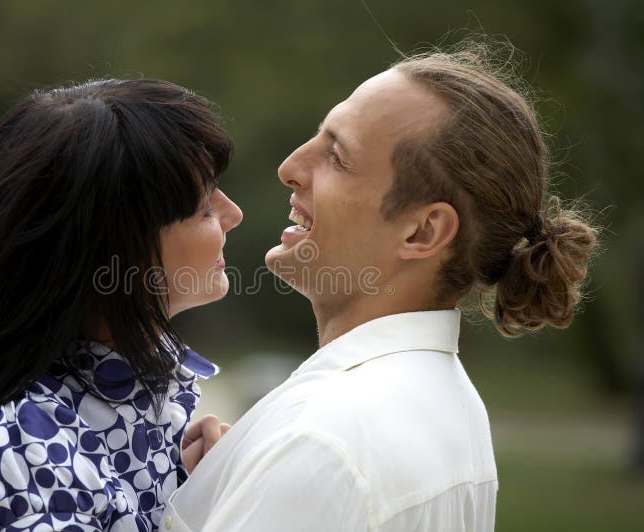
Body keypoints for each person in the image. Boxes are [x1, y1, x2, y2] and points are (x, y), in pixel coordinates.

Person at [159, 44, 598, 532]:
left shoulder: (321, 444)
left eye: (337, 157)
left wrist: (283, 473)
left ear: (423, 232)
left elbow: (329, 463)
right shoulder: (446, 404)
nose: (291, 166)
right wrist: (243, 484)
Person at [0, 79, 242, 531]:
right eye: (203, 208)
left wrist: (204, 492)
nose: (233, 213)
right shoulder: (24, 447)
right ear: (114, 249)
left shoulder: (137, 400)